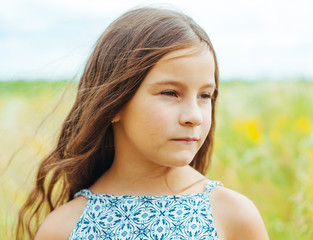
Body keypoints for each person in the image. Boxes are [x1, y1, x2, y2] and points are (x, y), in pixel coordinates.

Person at [16, 6, 269, 240]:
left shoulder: (233, 216)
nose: (194, 116)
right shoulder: (64, 228)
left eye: (205, 95)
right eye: (170, 93)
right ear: (114, 103)